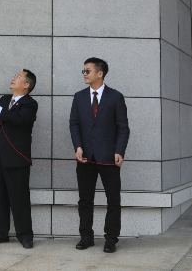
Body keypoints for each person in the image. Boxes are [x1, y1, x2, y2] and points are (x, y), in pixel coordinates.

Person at [69, 57, 130, 253]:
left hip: (109, 158)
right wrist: (77, 146)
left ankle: (111, 238)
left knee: (113, 200)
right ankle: (86, 236)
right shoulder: (79, 97)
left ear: (100, 73)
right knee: (85, 199)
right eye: (84, 71)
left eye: (88, 71)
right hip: (85, 157)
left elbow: (123, 128)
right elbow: (74, 124)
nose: (84, 74)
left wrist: (119, 151)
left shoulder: (115, 97)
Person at [0, 69, 38, 249]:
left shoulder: (30, 104)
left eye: (18, 77)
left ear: (26, 85)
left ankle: (25, 235)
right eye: (14, 76)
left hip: (17, 157)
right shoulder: (5, 99)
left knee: (19, 197)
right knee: (0, 196)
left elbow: (17, 119)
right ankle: (1, 233)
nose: (13, 78)